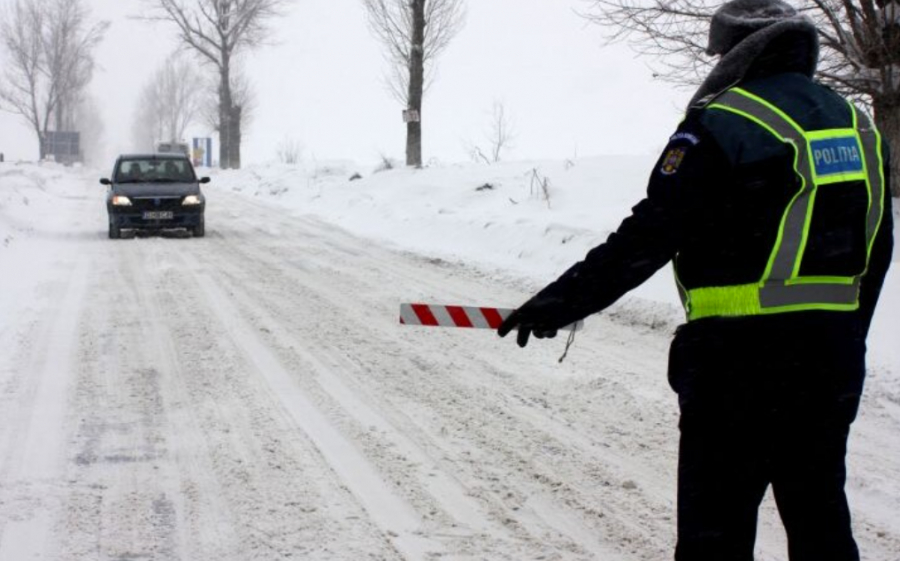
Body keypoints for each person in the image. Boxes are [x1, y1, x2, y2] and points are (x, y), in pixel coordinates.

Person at [498, 0, 894, 559]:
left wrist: (558, 303)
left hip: (737, 364)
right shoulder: (856, 124)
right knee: (820, 520)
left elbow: (650, 235)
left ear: (736, 52)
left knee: (717, 530)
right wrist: (848, 338)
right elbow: (877, 247)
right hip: (830, 362)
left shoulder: (725, 120)